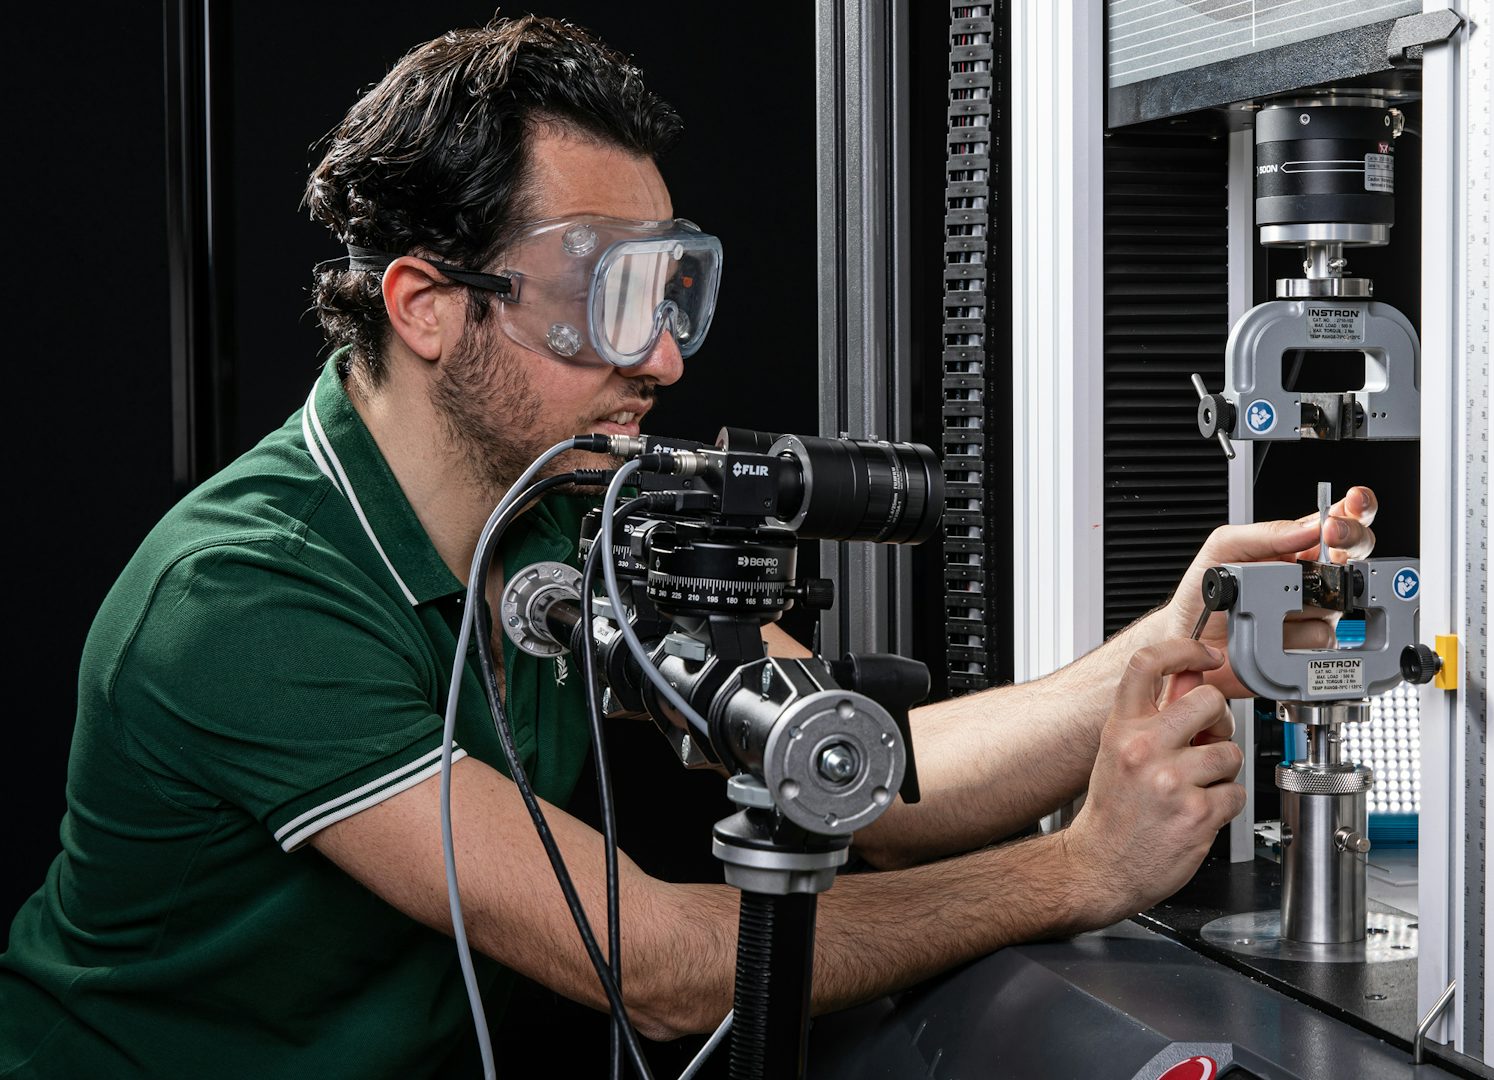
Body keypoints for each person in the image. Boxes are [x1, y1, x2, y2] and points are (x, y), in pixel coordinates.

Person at [0, 15, 1377, 1077]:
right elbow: (650, 962)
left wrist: (1186, 635)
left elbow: (870, 770)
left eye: (670, 290)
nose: (660, 353)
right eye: (608, 294)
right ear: (426, 305)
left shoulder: (566, 504)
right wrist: (1075, 872)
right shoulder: (242, 596)